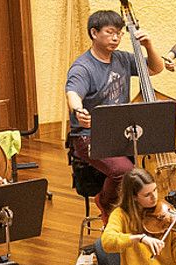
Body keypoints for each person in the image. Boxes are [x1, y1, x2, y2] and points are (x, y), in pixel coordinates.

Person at [67, 9, 166, 219]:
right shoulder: (83, 67)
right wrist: (78, 110)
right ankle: (107, 203)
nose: (116, 38)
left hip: (121, 133)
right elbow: (73, 93)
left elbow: (155, 69)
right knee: (125, 172)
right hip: (89, 136)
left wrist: (148, 46)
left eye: (119, 33)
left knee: (152, 161)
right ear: (94, 33)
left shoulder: (121, 59)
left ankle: (141, 210)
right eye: (110, 32)